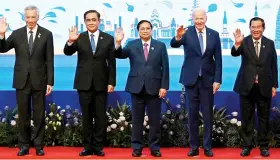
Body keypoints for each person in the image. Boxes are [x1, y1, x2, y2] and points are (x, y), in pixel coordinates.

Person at [0, 5, 54, 156]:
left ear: (38, 17)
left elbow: (50, 59)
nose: (30, 20)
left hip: (40, 80)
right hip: (21, 80)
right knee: (23, 115)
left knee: (39, 115)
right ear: (24, 18)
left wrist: (50, 81)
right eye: (27, 17)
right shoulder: (16, 34)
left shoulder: (47, 34)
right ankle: (24, 145)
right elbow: (2, 49)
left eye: (33, 17)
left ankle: (39, 146)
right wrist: (2, 34)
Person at [170, 8, 222, 157]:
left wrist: (217, 80)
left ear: (206, 18)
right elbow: (174, 44)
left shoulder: (214, 34)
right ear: (192, 19)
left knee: (207, 116)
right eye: (196, 18)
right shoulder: (186, 32)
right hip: (190, 80)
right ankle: (194, 147)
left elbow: (218, 59)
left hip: (208, 81)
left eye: (201, 18)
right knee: (192, 115)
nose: (199, 21)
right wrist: (178, 37)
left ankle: (207, 147)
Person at [63, 10, 116, 157]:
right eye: (88, 20)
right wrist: (70, 41)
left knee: (100, 117)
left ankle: (98, 147)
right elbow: (67, 52)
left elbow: (111, 63)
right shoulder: (79, 37)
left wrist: (111, 82)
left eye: (94, 19)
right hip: (83, 83)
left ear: (99, 21)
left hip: (101, 83)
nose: (91, 22)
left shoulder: (108, 38)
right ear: (85, 22)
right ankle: (87, 147)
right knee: (86, 117)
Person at [114, 20, 169, 157]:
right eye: (142, 28)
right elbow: (119, 54)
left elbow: (165, 68)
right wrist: (118, 42)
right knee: (137, 120)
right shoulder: (131, 45)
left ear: (152, 30)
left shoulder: (160, 46)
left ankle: (154, 147)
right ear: (138, 31)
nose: (145, 30)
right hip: (136, 87)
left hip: (155, 88)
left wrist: (164, 86)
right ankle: (137, 147)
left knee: (155, 120)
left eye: (148, 28)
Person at [231, 17, 278, 157]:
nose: (256, 29)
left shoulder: (269, 43)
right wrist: (237, 44)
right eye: (253, 27)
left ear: (263, 28)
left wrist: (274, 85)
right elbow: (234, 53)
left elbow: (273, 66)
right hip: (246, 86)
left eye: (259, 27)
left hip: (264, 86)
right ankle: (247, 145)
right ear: (250, 28)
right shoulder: (243, 42)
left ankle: (264, 146)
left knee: (264, 118)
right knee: (247, 118)